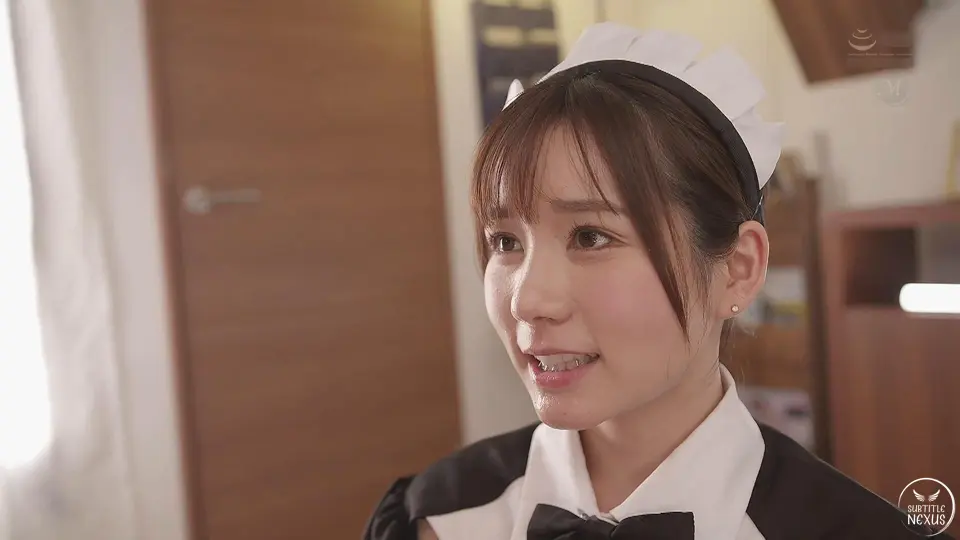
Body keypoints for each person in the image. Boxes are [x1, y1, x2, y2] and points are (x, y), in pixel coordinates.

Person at [363, 23, 951, 540]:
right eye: (506, 242)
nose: (527, 299)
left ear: (737, 269)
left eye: (590, 236)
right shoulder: (439, 518)